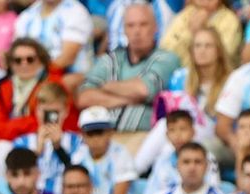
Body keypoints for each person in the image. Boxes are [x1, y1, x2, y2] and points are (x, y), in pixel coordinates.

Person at [77, 4, 180, 153]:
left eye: (143, 24)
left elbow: (144, 90)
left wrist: (107, 87)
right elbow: (84, 98)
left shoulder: (166, 58)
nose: (137, 31)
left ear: (155, 27)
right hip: (103, 137)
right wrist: (130, 99)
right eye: (131, 26)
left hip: (141, 137)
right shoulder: (110, 59)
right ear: (124, 30)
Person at [13, 0, 93, 85]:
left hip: (68, 74)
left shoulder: (75, 11)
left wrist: (38, 75)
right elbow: (16, 51)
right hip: (31, 72)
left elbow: (67, 58)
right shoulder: (27, 14)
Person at [72, 107, 137, 194]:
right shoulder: (78, 157)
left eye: (99, 132)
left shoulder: (121, 155)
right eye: (90, 133)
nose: (95, 138)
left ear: (110, 132)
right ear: (82, 135)